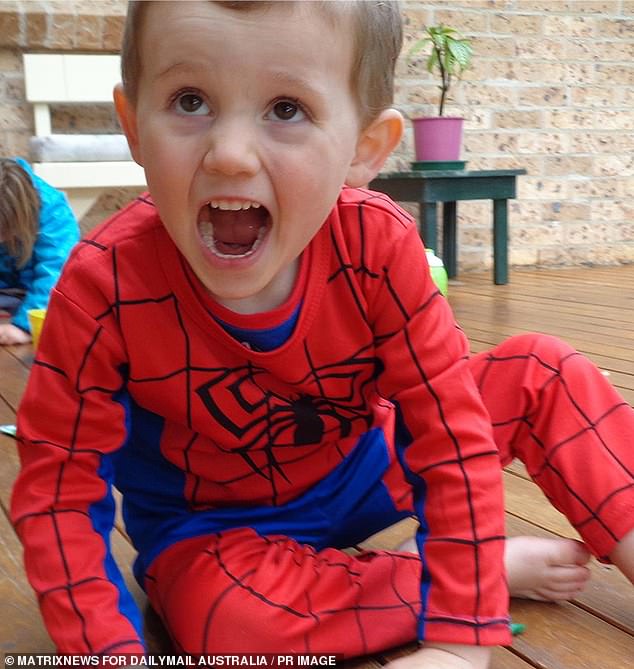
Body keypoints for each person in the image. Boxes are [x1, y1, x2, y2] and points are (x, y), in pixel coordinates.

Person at [10, 2, 634, 667]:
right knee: (228, 626)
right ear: (133, 125)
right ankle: (463, 571)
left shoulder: (379, 245)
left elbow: (450, 436)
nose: (228, 153)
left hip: (363, 469)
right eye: (190, 100)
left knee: (543, 370)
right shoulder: (101, 285)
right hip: (216, 532)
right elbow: (59, 499)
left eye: (286, 109)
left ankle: (471, 573)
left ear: (365, 148)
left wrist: (460, 640)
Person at [0, 157, 79, 345]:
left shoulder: (53, 210)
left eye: (4, 231)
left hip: (32, 298)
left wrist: (22, 326)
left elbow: (56, 272)